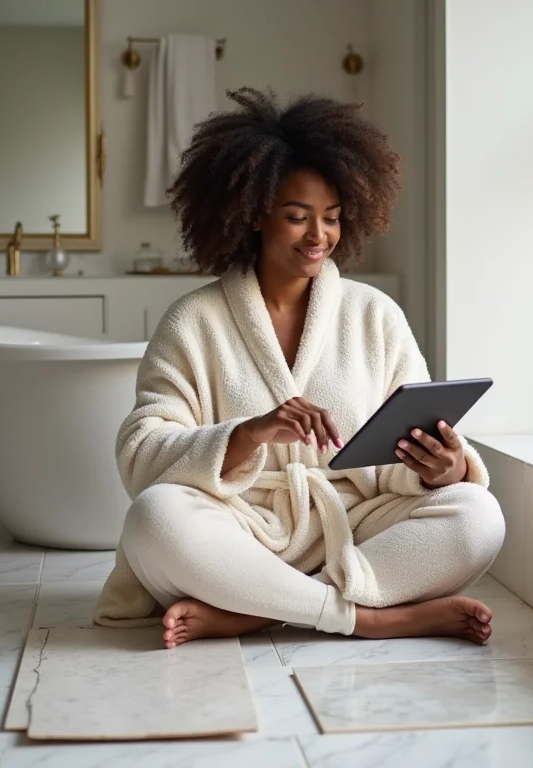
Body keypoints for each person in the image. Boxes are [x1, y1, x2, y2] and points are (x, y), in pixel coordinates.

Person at [94, 87, 505, 649]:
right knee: (155, 518)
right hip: (243, 528)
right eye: (297, 217)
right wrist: (250, 433)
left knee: (478, 513)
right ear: (255, 214)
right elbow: (142, 453)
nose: (319, 237)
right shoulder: (194, 321)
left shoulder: (373, 315)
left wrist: (444, 467)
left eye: (331, 219)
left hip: (354, 523)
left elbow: (401, 454)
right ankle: (370, 616)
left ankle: (258, 609)